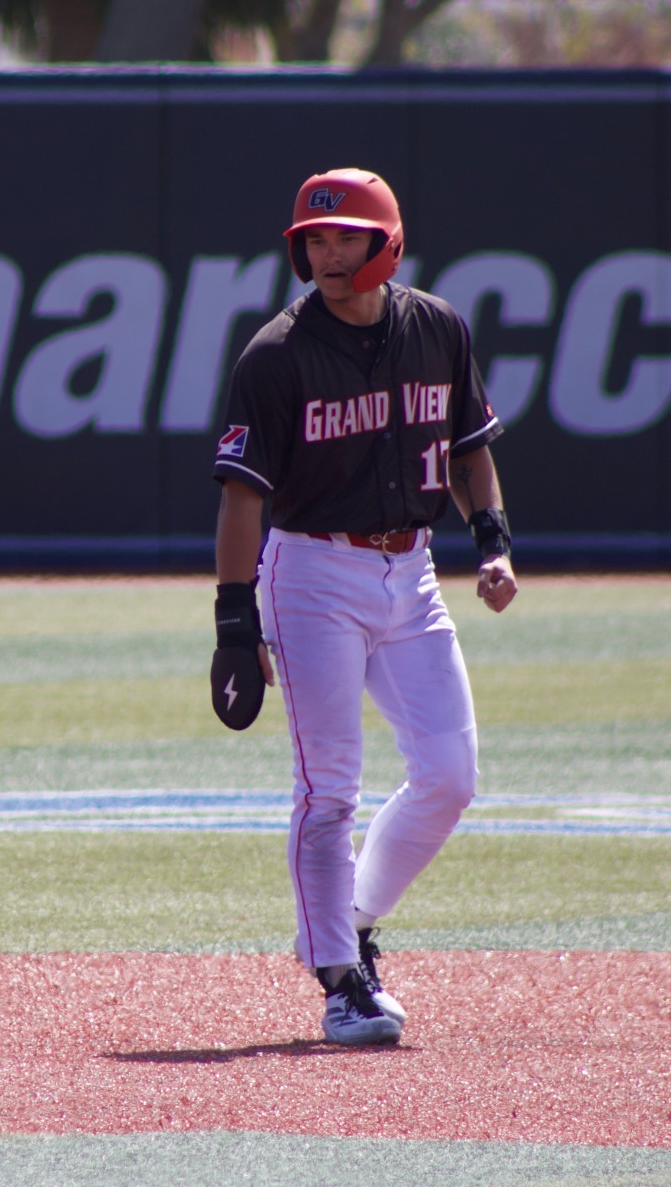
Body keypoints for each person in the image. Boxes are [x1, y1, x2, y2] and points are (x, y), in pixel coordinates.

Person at [209, 168, 517, 1045]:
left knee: (451, 776)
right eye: (314, 238)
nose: (327, 251)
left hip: (411, 571)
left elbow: (467, 447)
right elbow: (240, 496)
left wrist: (491, 540)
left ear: (388, 243)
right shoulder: (275, 354)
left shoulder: (437, 328)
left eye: (345, 236)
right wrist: (236, 622)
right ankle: (340, 978)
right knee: (330, 789)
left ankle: (352, 918)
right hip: (312, 575)